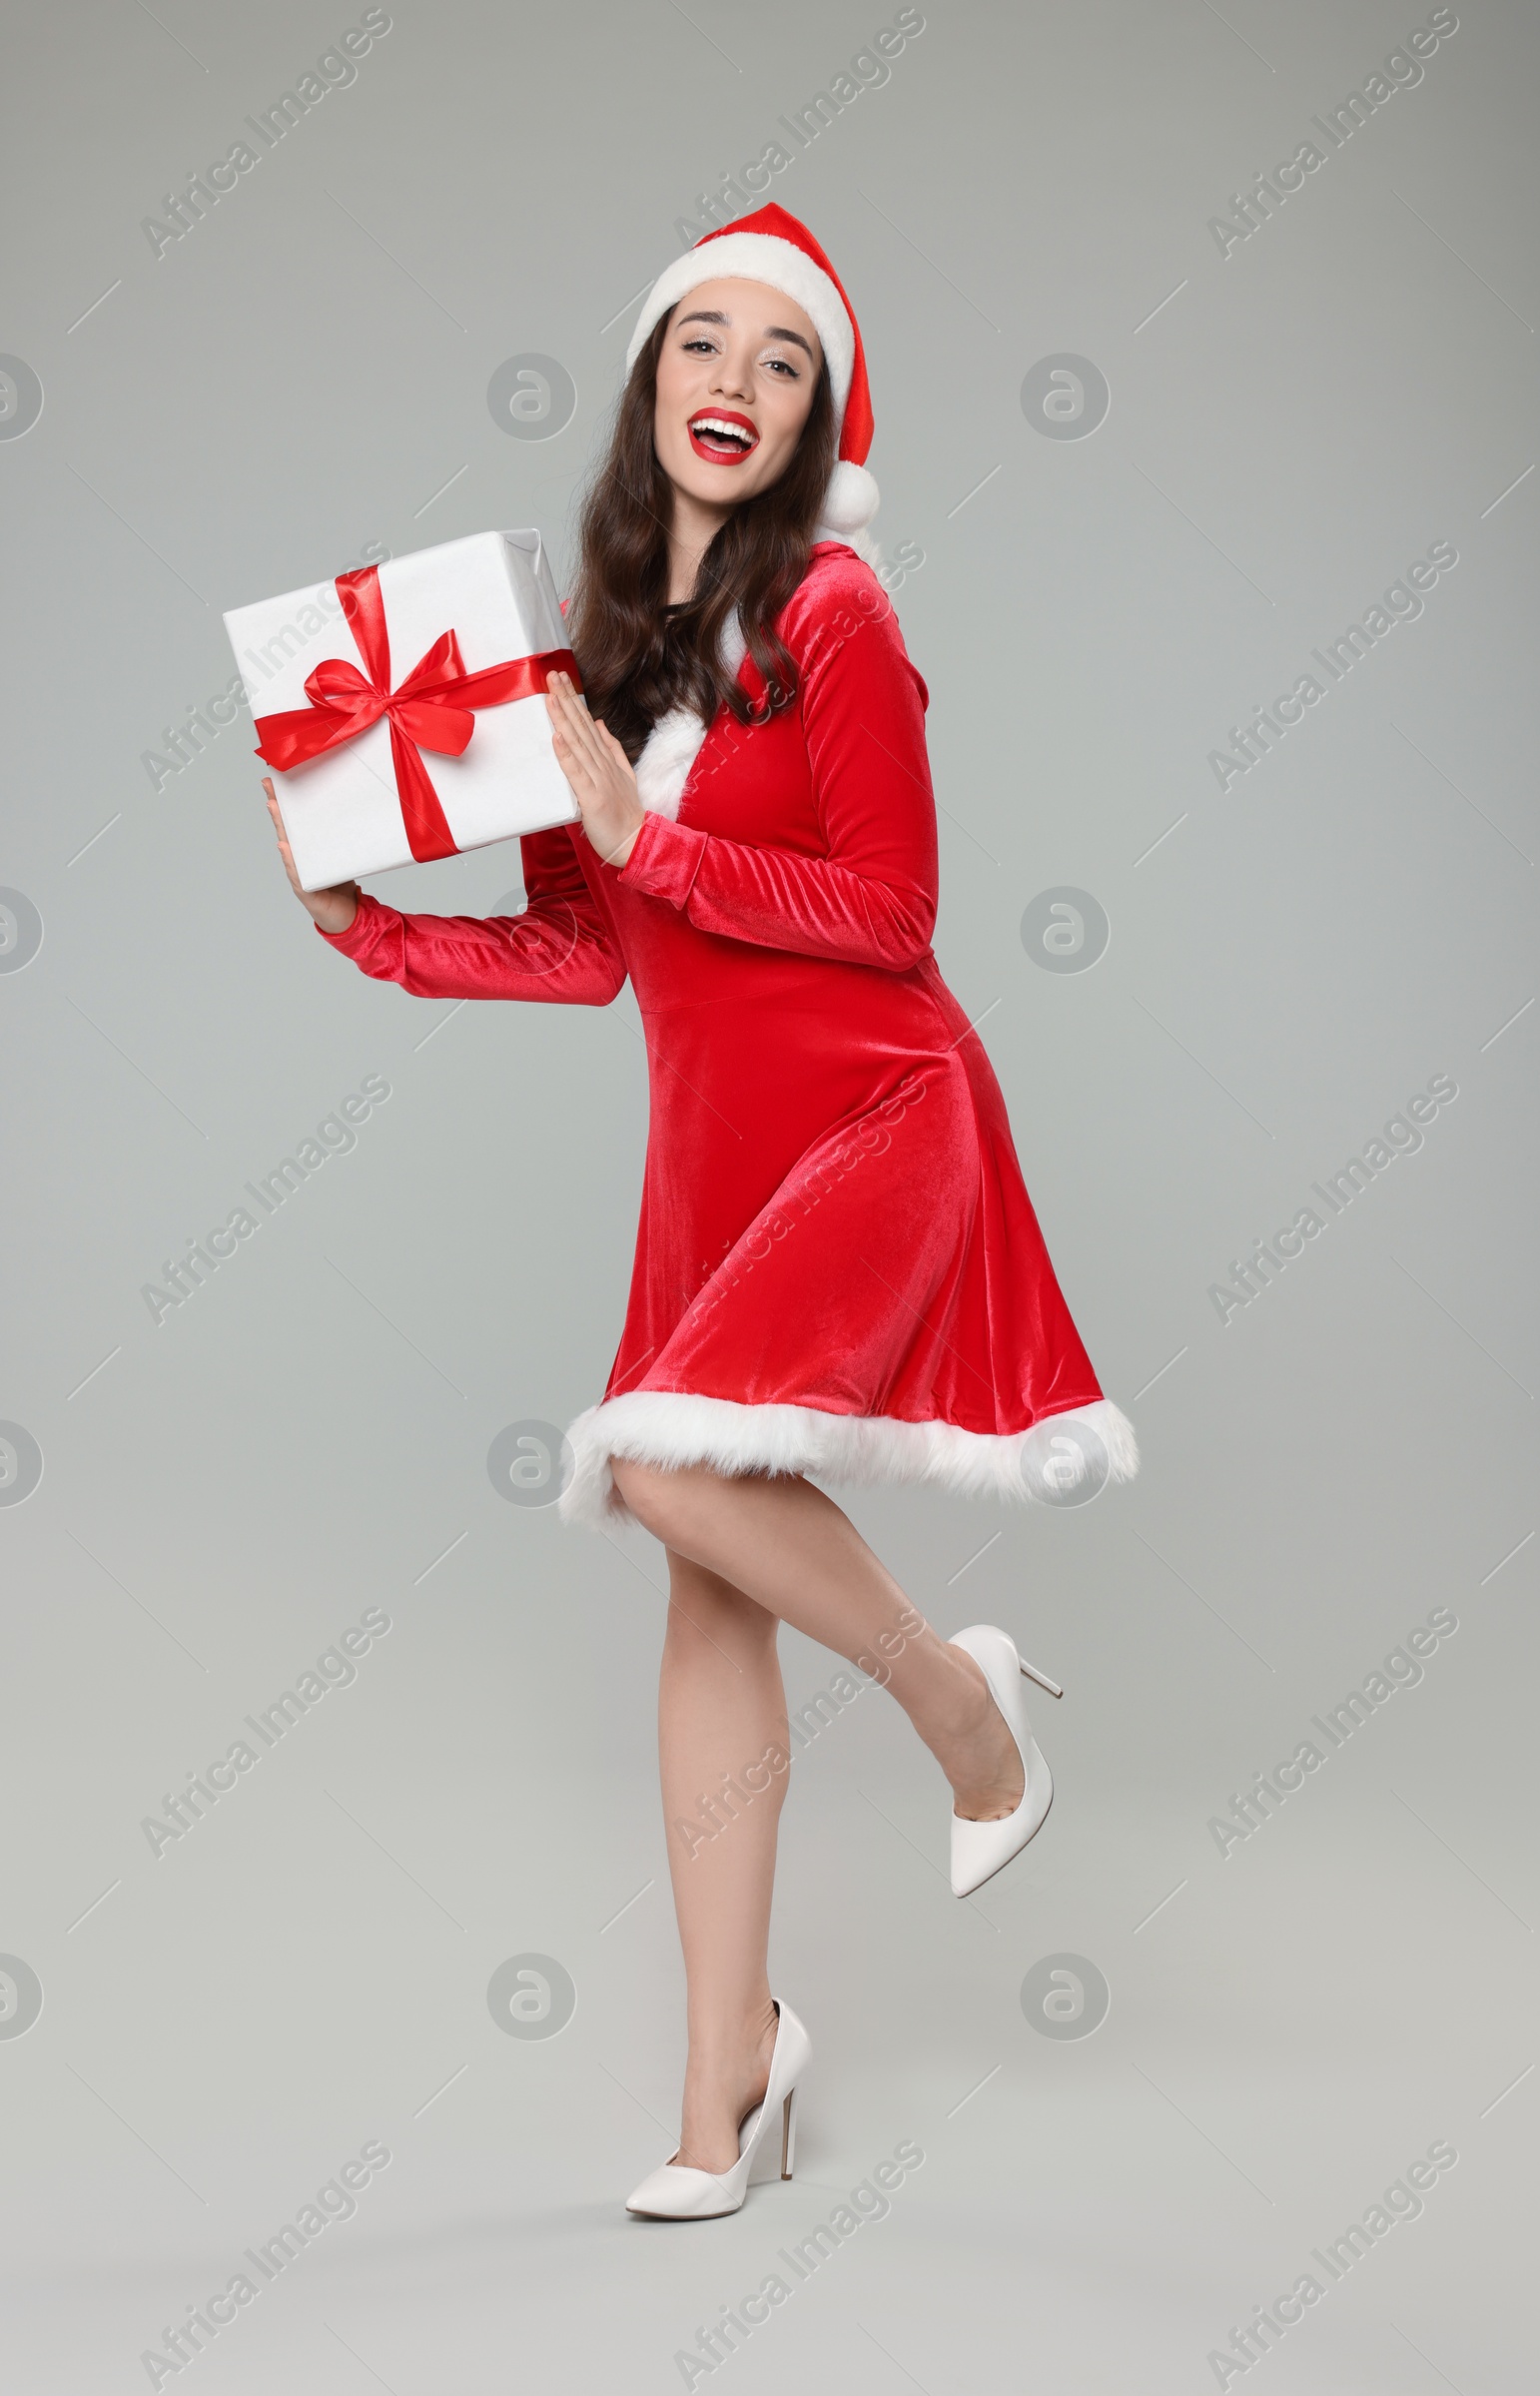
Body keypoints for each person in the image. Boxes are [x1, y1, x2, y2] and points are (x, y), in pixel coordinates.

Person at [264, 204, 1137, 2221]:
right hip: (710, 1164)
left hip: (876, 1110)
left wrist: (651, 832)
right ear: (645, 380)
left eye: (776, 360)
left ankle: (954, 1697)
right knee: (701, 1578)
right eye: (698, 348)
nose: (731, 387)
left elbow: (891, 913)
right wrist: (368, 923)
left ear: (817, 413)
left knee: (664, 1476)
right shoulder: (594, 655)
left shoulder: (832, 613)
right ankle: (722, 2086)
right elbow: (586, 955)